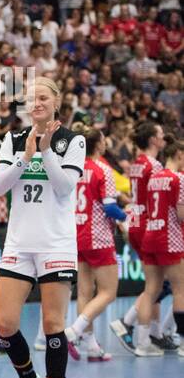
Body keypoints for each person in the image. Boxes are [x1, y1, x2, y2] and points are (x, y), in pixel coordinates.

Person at [0, 77, 85, 378]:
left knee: (52, 324)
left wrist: (46, 151)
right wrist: (26, 156)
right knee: (4, 323)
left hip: (55, 244)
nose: (37, 103)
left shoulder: (73, 140)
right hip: (19, 243)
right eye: (32, 99)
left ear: (56, 101)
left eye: (43, 97)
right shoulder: (13, 139)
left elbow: (64, 189)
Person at [66, 124, 122, 361]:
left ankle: (91, 347)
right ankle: (74, 331)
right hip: (98, 236)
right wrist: (127, 216)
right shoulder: (103, 169)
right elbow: (109, 207)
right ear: (99, 144)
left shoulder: (73, 167)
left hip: (75, 234)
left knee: (84, 292)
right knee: (109, 292)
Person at [111, 121, 166, 353]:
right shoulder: (153, 166)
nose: (163, 137)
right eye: (161, 134)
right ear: (153, 140)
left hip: (135, 222)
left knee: (156, 282)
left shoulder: (136, 164)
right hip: (147, 224)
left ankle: (153, 332)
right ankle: (129, 323)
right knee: (156, 284)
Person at [138, 140, 184, 356]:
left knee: (151, 290)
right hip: (170, 238)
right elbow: (182, 215)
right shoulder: (179, 179)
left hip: (150, 234)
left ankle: (142, 342)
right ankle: (183, 342)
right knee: (180, 290)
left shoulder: (155, 177)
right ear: (179, 155)